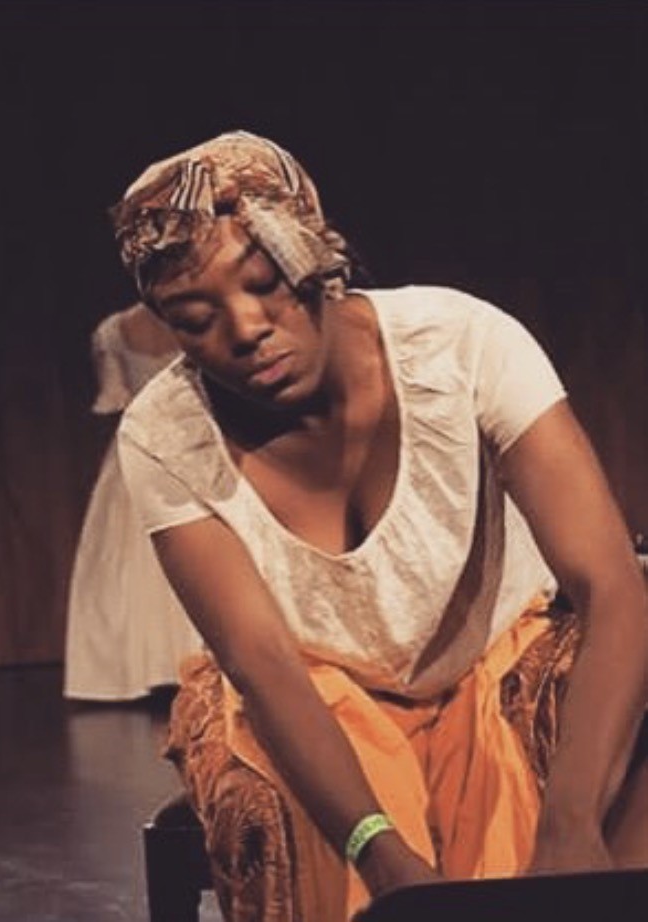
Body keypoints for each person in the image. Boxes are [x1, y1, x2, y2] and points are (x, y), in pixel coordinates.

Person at [108, 131, 648, 921]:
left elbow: (610, 585)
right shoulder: (165, 433)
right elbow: (264, 665)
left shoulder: (462, 344)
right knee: (280, 814)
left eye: (266, 284)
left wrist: (572, 827)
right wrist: (378, 851)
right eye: (195, 319)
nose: (245, 327)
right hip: (307, 700)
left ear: (315, 258)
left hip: (493, 661)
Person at [64, 302, 203, 700]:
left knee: (133, 557)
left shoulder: (113, 331)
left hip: (138, 445)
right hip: (189, 442)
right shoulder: (194, 321)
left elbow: (112, 398)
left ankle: (143, 667)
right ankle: (187, 660)